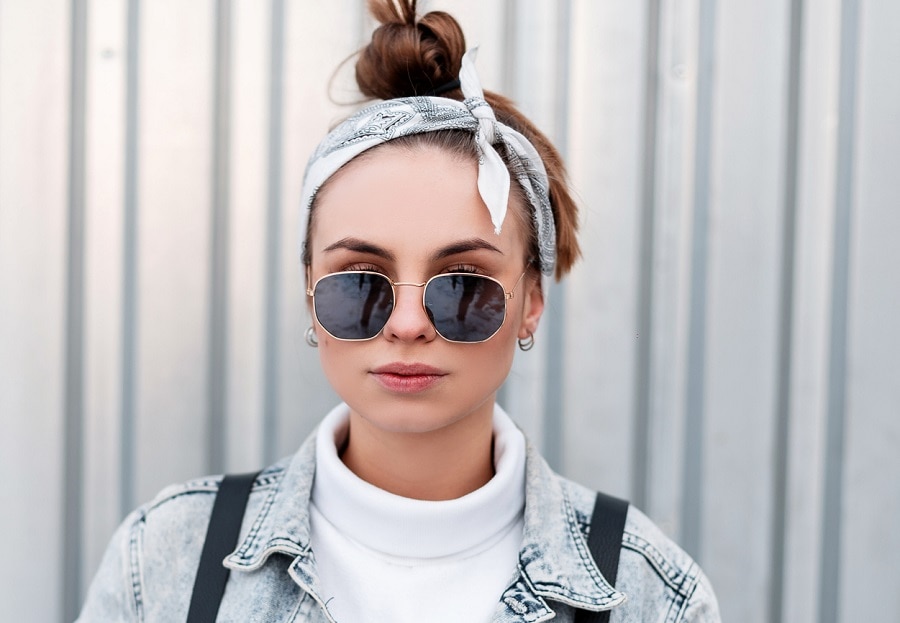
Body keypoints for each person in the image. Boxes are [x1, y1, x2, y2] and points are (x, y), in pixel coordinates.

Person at [77, 1, 721, 621]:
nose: (407, 325)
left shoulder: (650, 595)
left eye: (463, 283)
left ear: (531, 304)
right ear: (310, 287)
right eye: (361, 282)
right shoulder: (166, 561)